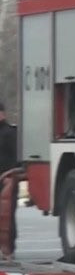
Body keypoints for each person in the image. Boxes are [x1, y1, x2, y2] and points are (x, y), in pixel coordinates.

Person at [0, 102, 18, 259]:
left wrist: (10, 174)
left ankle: (9, 249)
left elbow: (16, 158)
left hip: (7, 180)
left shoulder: (10, 133)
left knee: (7, 217)